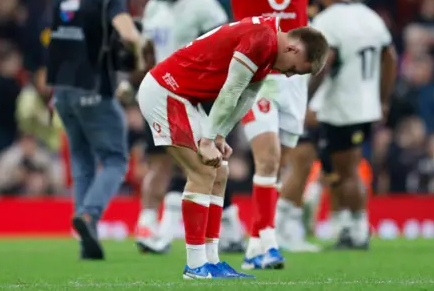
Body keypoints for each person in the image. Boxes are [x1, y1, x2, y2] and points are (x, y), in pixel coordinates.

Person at [201, 0, 352, 266]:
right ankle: (266, 242)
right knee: (267, 157)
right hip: (258, 77)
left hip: (295, 82)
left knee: (277, 166)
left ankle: (256, 242)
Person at [136, 16, 328, 279]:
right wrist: (206, 139)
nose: (288, 74)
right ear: (293, 49)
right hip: (166, 92)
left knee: (220, 171)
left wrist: (219, 136)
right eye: (294, 69)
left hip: (182, 97)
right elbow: (230, 90)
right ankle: (195, 265)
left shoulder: (269, 48)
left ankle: (211, 260)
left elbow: (246, 97)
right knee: (203, 172)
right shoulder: (262, 38)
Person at [134, 0, 244, 255]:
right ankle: (148, 226)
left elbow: (223, 51)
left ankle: (228, 228)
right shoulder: (155, 5)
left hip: (195, 96)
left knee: (206, 165)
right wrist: (136, 82)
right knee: (159, 160)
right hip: (159, 92)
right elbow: (145, 49)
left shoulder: (204, 7)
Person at [46, 0, 145, 260]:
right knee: (116, 159)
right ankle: (89, 215)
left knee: (82, 161)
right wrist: (138, 53)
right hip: (95, 88)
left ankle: (84, 239)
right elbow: (129, 35)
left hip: (61, 90)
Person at [307, 0, 397, 249]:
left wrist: (306, 99)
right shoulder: (370, 17)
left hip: (342, 105)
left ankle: (357, 230)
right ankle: (350, 227)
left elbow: (325, 62)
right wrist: (383, 99)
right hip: (366, 105)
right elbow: (390, 58)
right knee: (341, 169)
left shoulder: (326, 21)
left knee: (347, 171)